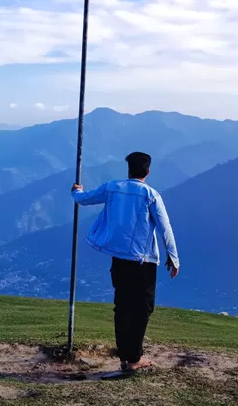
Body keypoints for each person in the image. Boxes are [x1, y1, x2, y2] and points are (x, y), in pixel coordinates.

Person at [71, 151, 179, 372]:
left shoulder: (112, 188)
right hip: (143, 261)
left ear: (128, 169)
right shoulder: (151, 195)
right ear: (148, 171)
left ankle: (124, 357)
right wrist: (173, 257)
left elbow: (85, 199)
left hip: (118, 259)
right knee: (142, 308)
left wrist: (76, 191)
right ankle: (134, 359)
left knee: (121, 307)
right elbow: (164, 227)